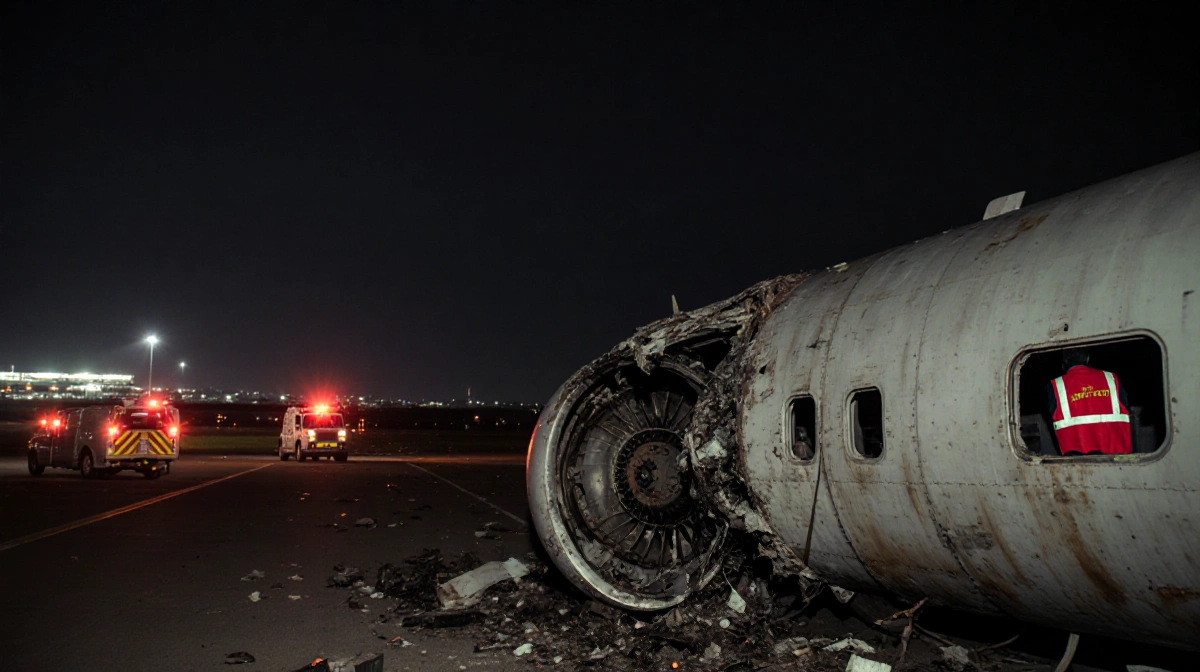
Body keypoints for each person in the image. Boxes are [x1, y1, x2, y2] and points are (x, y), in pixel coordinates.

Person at [1045, 348, 1134, 455]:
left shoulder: (1055, 386)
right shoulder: (1112, 378)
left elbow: (1052, 419)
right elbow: (1127, 411)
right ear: (1088, 358)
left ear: (1064, 363)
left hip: (1079, 464)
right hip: (1119, 461)